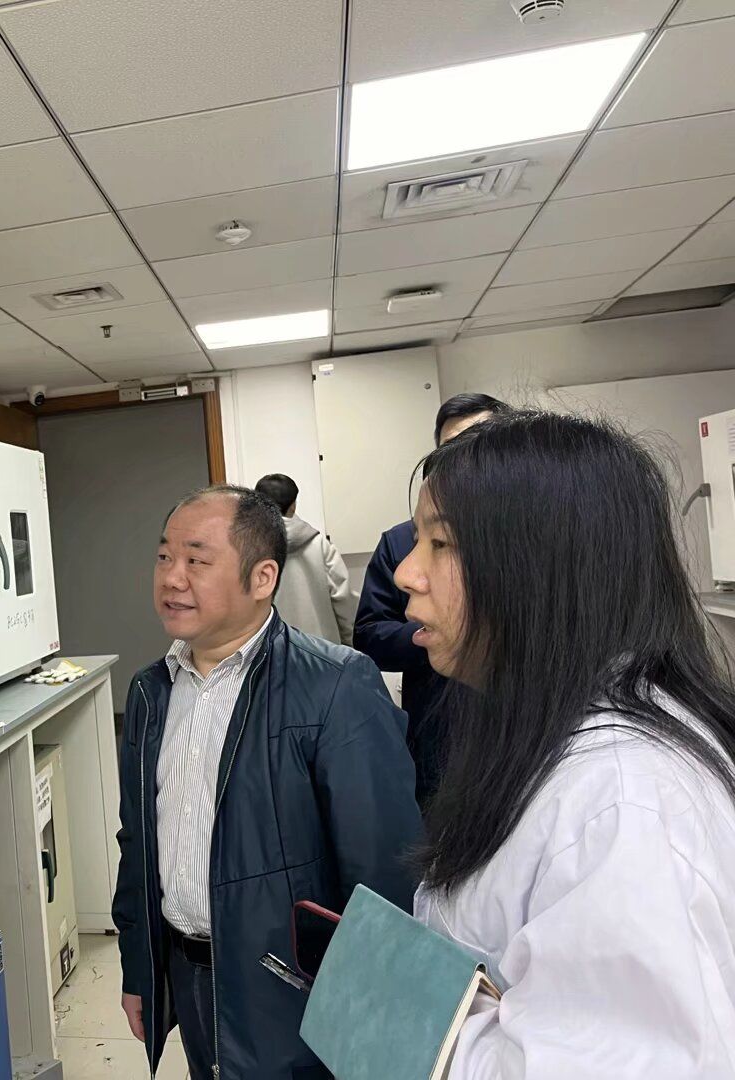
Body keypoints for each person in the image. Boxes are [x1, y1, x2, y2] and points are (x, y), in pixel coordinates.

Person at [395, 412, 735, 1077]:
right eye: (416, 540)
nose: (408, 572)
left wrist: (409, 1011)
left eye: (441, 543)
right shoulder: (548, 727)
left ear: (540, 566)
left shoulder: (625, 801)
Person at [112, 484, 423, 1079]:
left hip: (292, 992)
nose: (172, 578)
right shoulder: (151, 692)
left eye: (197, 560)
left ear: (262, 578)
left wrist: (376, 1014)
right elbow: (138, 843)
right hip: (189, 977)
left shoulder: (335, 686)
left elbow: (385, 872)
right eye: (164, 557)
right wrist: (139, 968)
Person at [355, 392, 510, 805]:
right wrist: (433, 636)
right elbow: (369, 634)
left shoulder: (530, 543)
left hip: (516, 720)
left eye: (477, 446)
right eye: (449, 451)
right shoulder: (399, 542)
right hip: (439, 722)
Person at [254, 473, 356, 646]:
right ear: (293, 505)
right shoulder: (319, 544)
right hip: (322, 650)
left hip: (270, 651)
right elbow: (343, 600)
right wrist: (349, 643)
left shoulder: (246, 548)